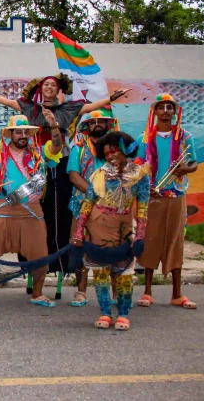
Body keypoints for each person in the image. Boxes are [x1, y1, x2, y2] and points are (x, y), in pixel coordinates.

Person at [0, 76, 130, 289]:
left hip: (56, 159)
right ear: (41, 89)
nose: (49, 87)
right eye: (46, 84)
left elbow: (90, 108)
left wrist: (110, 98)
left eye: (53, 85)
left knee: (59, 212)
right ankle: (29, 265)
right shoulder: (30, 109)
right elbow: (8, 102)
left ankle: (60, 263)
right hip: (34, 162)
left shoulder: (67, 109)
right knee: (40, 210)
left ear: (58, 90)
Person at [0, 114, 63, 308]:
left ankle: (37, 294)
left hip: (32, 212)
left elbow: (57, 147)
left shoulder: (38, 153)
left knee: (40, 254)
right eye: (18, 131)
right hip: (2, 210)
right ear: (10, 134)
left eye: (25, 132)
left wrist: (54, 127)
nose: (22, 135)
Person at [71, 131, 150, 331]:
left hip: (123, 228)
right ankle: (105, 312)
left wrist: (139, 235)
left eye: (114, 151)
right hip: (97, 228)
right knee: (101, 274)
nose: (110, 156)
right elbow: (87, 204)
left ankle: (123, 314)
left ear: (126, 150)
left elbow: (142, 208)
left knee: (124, 274)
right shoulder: (99, 175)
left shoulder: (140, 176)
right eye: (106, 153)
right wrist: (80, 232)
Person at [135, 93, 199, 310]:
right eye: (161, 107)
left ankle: (177, 294)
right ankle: (147, 291)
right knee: (150, 240)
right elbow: (138, 165)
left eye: (169, 108)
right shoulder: (145, 138)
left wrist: (185, 168)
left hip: (176, 195)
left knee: (175, 241)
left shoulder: (184, 137)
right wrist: (145, 184)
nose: (165, 111)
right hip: (153, 196)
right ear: (155, 112)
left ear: (174, 112)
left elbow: (194, 164)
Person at [66, 109, 118, 307]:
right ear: (87, 126)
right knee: (79, 248)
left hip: (110, 208)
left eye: (101, 121)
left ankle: (115, 292)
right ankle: (81, 291)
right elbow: (74, 176)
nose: (97, 124)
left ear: (107, 125)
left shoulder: (115, 149)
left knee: (112, 249)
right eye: (92, 121)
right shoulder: (78, 149)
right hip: (82, 206)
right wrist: (94, 194)